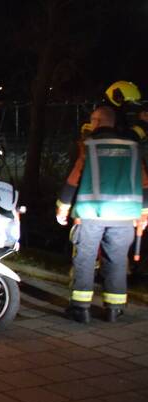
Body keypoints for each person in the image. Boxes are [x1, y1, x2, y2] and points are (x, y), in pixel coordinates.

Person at [56, 104, 148, 323]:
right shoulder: (133, 147)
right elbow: (144, 182)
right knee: (116, 261)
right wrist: (144, 213)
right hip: (125, 215)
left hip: (91, 213)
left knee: (85, 259)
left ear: (96, 122)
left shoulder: (88, 146)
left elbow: (74, 179)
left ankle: (80, 308)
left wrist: (63, 207)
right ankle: (114, 309)